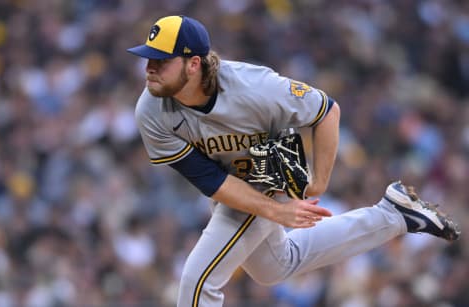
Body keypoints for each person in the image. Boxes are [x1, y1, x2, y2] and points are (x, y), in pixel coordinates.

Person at [127, 15, 460, 307]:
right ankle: (393, 216)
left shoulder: (254, 87)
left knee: (197, 279)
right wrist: (274, 211)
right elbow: (210, 181)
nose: (149, 68)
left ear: (193, 64)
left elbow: (327, 110)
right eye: (148, 58)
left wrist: (319, 181)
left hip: (273, 164)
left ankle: (390, 215)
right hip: (231, 177)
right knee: (276, 266)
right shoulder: (151, 110)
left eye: (161, 60)